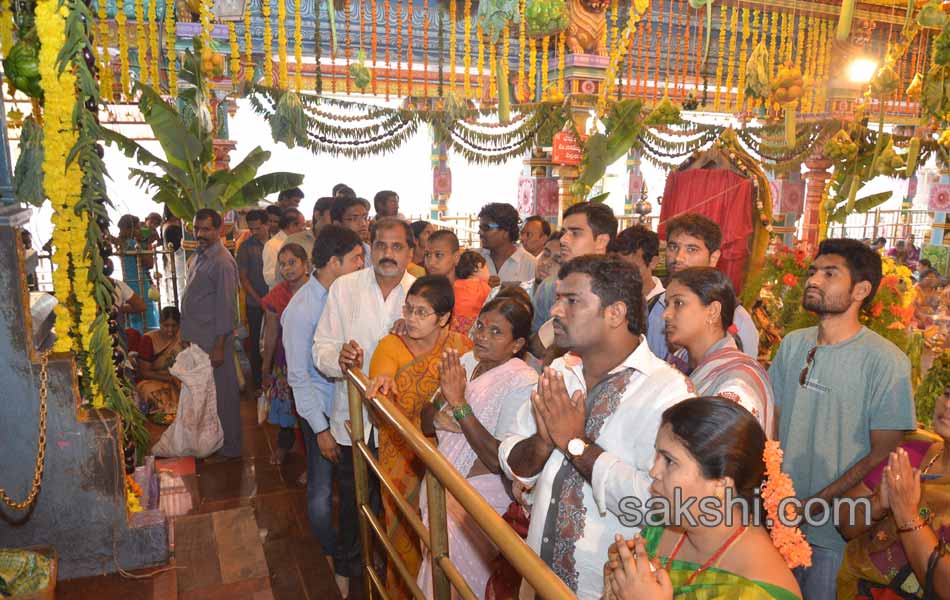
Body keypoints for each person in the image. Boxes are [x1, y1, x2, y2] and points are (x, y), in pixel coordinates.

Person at [499, 255, 694, 599]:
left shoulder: (667, 392)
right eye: (558, 299)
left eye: (572, 300)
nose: (556, 311)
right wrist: (544, 444)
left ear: (615, 313)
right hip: (534, 576)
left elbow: (658, 504)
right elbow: (514, 465)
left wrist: (577, 444)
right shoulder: (561, 370)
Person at [768, 238, 916, 600]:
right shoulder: (792, 344)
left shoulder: (886, 362)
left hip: (834, 535)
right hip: (779, 521)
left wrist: (816, 503)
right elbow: (772, 424)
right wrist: (772, 495)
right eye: (813, 271)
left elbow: (883, 454)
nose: (813, 280)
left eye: (829, 273)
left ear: (861, 290)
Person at [603, 398, 802, 600]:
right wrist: (619, 586)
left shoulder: (759, 592)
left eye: (669, 461)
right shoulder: (665, 527)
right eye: (657, 456)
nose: (654, 471)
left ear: (721, 484)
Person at [312, 217, 418, 595]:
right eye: (382, 245)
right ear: (370, 247)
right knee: (354, 503)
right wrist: (338, 359)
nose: (388, 254)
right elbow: (321, 347)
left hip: (401, 425)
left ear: (410, 251)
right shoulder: (345, 288)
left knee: (398, 507)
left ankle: (395, 576)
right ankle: (347, 570)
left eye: (397, 246)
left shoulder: (419, 293)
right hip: (353, 418)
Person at [416, 297, 538, 600]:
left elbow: (500, 460)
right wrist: (440, 415)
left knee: (457, 579)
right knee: (437, 567)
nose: (482, 335)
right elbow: (426, 419)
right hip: (443, 484)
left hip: (482, 499)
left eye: (496, 332)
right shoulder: (467, 361)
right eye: (480, 326)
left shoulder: (522, 382)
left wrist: (459, 405)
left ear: (516, 344)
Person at [367, 276, 472, 599]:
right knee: (405, 539)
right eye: (408, 310)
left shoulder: (460, 347)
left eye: (421, 312)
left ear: (443, 318)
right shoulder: (391, 346)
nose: (411, 319)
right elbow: (380, 383)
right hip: (402, 460)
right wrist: (382, 380)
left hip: (449, 458)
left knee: (447, 543)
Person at [283, 225, 365, 585]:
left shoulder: (346, 295)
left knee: (348, 488)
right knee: (320, 491)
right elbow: (299, 376)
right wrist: (319, 430)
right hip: (319, 410)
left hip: (346, 408)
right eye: (356, 259)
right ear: (334, 262)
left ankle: (351, 553)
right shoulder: (302, 308)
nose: (363, 265)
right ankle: (332, 553)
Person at [836, 394, 949, 599]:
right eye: (948, 394)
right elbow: (844, 519)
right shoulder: (912, 453)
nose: (948, 405)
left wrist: (907, 515)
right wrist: (877, 506)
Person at [662, 267, 775, 437]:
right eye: (667, 304)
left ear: (713, 311)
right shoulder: (678, 363)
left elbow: (720, 455)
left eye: (678, 303)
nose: (666, 314)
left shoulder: (738, 381)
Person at [648, 213, 759, 361]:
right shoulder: (653, 307)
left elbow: (741, 375)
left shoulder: (737, 320)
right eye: (673, 247)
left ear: (713, 258)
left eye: (692, 249)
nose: (678, 257)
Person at [180, 209, 241, 459]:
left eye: (206, 229)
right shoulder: (200, 255)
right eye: (197, 228)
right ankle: (213, 442)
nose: (200, 233)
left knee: (224, 396)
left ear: (219, 231)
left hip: (214, 341)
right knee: (208, 396)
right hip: (199, 339)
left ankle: (232, 447)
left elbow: (226, 307)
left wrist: (219, 345)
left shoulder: (222, 262)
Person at [532, 202, 618, 333]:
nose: (563, 240)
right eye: (564, 232)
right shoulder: (550, 286)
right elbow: (536, 345)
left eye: (575, 233)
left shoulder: (622, 287)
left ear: (601, 241)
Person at [261, 243, 310, 464]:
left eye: (292, 262)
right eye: (283, 264)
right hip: (285, 360)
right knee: (286, 410)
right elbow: (271, 334)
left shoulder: (317, 291)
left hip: (311, 362)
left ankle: (311, 461)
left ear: (305, 264)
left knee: (308, 413)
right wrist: (266, 368)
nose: (287, 268)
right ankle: (283, 446)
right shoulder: (277, 296)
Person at [236, 209, 270, 391]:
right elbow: (244, 279)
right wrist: (260, 300)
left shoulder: (277, 243)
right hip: (255, 304)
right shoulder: (246, 247)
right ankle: (258, 384)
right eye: (251, 229)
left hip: (276, 303)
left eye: (258, 228)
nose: (254, 232)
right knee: (256, 344)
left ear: (267, 225)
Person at [136, 306, 187, 423]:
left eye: (174, 326)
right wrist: (169, 378)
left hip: (178, 378)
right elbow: (144, 372)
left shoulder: (183, 337)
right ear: (160, 323)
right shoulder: (149, 339)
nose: (170, 330)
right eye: (166, 325)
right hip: (153, 380)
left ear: (179, 325)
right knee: (152, 394)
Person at [116, 214, 159, 331]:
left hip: (132, 283)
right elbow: (150, 263)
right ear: (130, 230)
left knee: (136, 319)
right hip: (137, 283)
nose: (139, 230)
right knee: (144, 318)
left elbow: (149, 264)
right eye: (137, 228)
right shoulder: (131, 244)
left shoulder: (124, 244)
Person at [478, 203, 536, 287]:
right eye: (480, 227)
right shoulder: (474, 258)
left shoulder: (530, 264)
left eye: (486, 228)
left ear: (505, 231)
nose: (480, 232)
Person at [608, 225, 664, 306]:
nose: (624, 274)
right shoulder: (610, 299)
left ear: (653, 262)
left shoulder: (666, 303)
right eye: (619, 267)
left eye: (633, 268)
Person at [263, 208, 305, 289]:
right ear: (292, 225)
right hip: (282, 295)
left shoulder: (298, 241)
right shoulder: (272, 245)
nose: (304, 229)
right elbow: (269, 278)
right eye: (302, 225)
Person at [453, 250, 492, 334]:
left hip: (455, 329)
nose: (489, 272)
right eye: (487, 268)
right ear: (478, 266)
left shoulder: (454, 285)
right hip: (474, 329)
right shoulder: (484, 287)